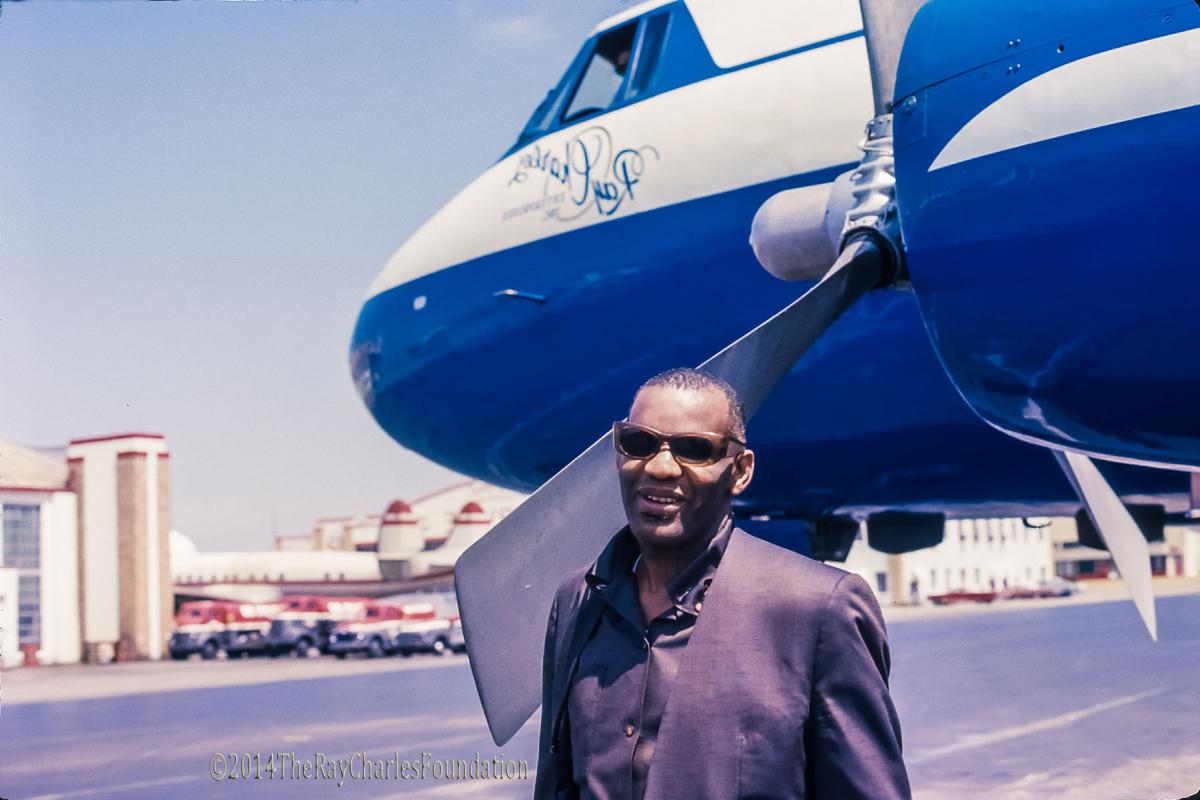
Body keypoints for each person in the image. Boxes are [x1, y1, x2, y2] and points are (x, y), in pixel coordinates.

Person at [535, 368, 910, 800]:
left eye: (694, 450)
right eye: (639, 443)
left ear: (741, 471)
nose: (659, 467)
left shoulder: (819, 609)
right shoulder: (576, 602)